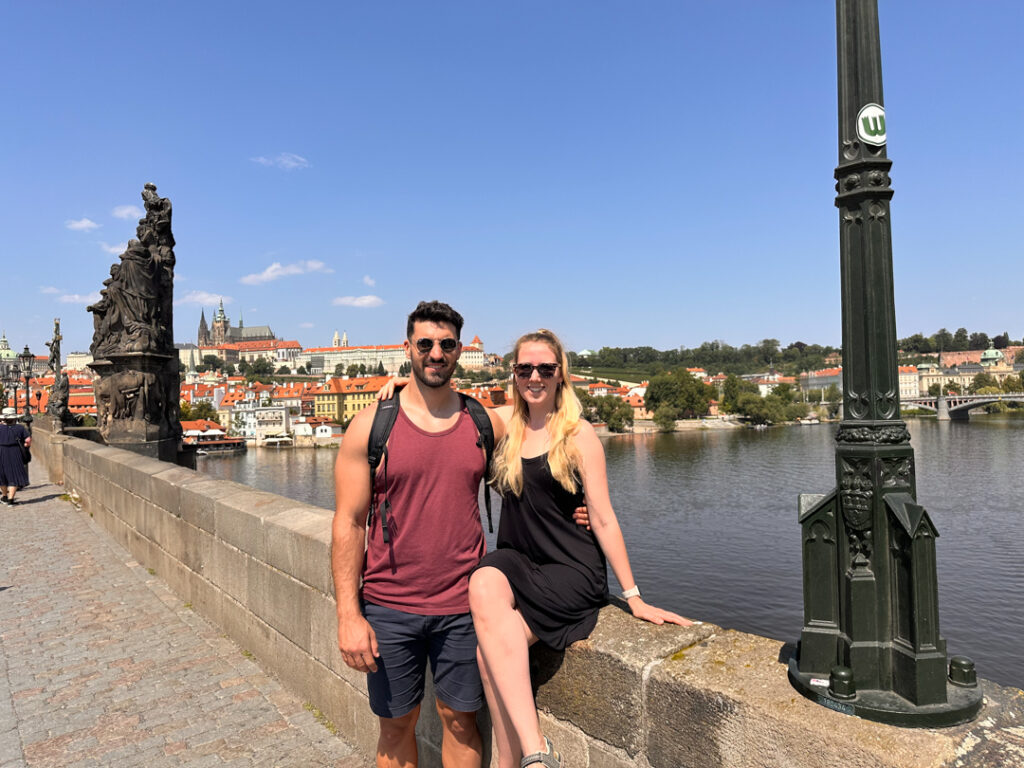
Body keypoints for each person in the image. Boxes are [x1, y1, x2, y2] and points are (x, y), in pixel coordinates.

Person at [468, 330, 694, 768]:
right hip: (520, 562)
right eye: (524, 368)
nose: (534, 376)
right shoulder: (505, 427)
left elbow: (604, 517)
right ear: (513, 374)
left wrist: (634, 597)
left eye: (545, 369)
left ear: (560, 375)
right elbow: (452, 409)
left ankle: (515, 757)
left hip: (571, 568)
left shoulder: (578, 434)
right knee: (482, 581)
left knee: (488, 652)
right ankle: (532, 753)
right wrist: (408, 385)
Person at [332, 301, 506, 768]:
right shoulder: (371, 425)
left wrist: (580, 511)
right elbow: (348, 524)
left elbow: (548, 438)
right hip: (389, 605)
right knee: (395, 726)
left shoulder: (484, 421)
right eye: (425, 343)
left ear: (459, 352)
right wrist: (349, 614)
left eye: (446, 345)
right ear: (407, 347)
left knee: (459, 720)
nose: (435, 353)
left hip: (464, 605)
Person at [0, 406, 31, 506]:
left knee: (2, 476)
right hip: (15, 452)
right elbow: (27, 441)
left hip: (1, 451)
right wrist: (25, 446)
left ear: (3, 418)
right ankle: (10, 500)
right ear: (15, 418)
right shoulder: (20, 428)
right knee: (14, 475)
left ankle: (4, 496)